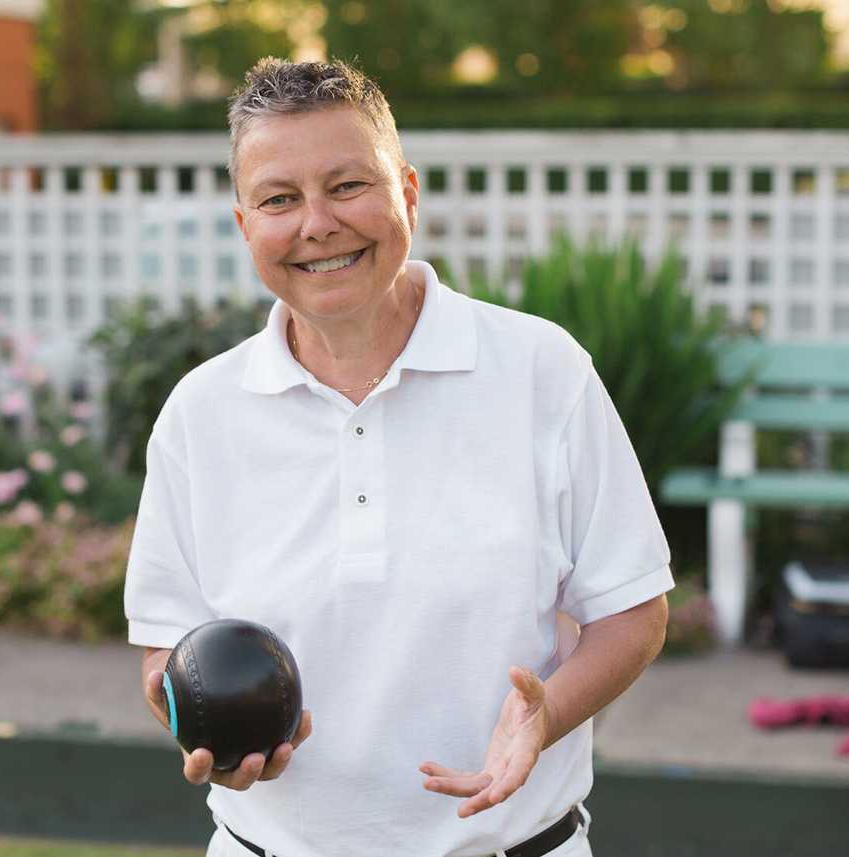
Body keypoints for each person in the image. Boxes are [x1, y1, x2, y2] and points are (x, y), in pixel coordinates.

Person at [124, 57, 674, 857]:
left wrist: (545, 713)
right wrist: (201, 723)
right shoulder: (200, 413)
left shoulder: (541, 370)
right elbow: (167, 641)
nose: (317, 223)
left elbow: (634, 610)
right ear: (246, 226)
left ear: (406, 193)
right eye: (280, 199)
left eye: (348, 185)